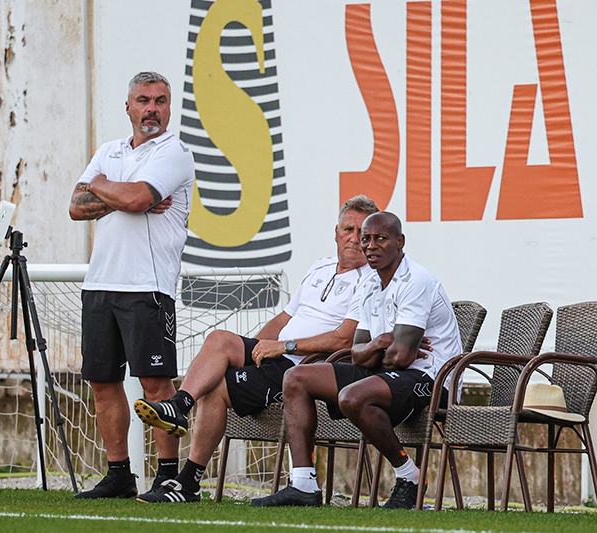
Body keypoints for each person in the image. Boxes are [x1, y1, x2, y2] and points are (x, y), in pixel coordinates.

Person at [133, 195, 380, 503]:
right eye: (348, 230)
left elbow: (344, 340)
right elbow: (284, 318)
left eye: (362, 233)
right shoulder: (321, 267)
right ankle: (180, 405)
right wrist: (257, 351)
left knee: (216, 388)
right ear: (336, 232)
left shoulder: (369, 281)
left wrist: (283, 346)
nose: (354, 239)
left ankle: (189, 482)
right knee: (220, 339)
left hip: (303, 368)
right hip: (279, 356)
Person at [251, 211, 462, 509]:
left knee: (352, 396)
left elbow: (401, 358)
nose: (371, 245)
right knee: (296, 378)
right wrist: (382, 342)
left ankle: (409, 475)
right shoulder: (369, 284)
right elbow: (360, 352)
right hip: (388, 374)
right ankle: (303, 484)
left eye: (381, 238)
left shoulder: (416, 280)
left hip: (432, 377)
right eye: (366, 239)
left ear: (400, 242)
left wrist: (381, 351)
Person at [68, 71, 195, 499]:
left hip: (148, 286)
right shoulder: (109, 150)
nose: (152, 109)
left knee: (155, 384)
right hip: (100, 283)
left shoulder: (175, 152)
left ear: (169, 107)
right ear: (128, 107)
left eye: (160, 101)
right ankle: (119, 475)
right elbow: (76, 206)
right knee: (102, 383)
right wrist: (120, 193)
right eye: (143, 100)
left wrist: (101, 186)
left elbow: (138, 199)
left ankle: (169, 475)